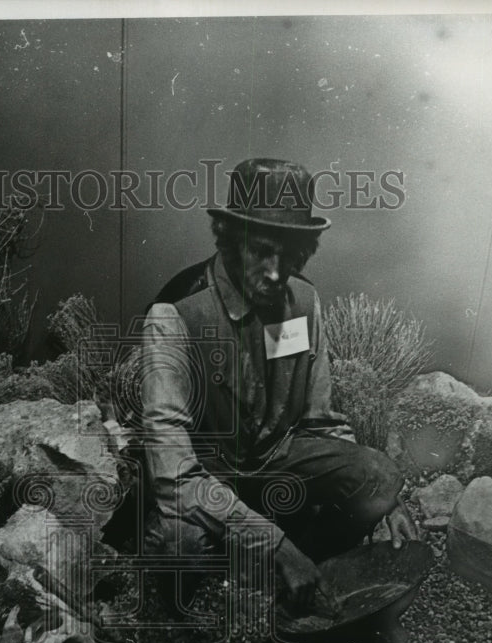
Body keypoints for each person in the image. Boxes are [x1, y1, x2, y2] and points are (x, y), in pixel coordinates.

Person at [139, 157, 417, 613]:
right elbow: (173, 476)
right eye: (261, 251)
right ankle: (221, 597)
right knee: (176, 543)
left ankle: (292, 583)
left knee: (380, 476)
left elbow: (321, 423)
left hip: (277, 463)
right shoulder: (176, 314)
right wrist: (276, 546)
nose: (275, 272)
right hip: (206, 479)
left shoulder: (305, 300)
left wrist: (386, 502)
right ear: (230, 241)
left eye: (290, 258)